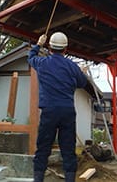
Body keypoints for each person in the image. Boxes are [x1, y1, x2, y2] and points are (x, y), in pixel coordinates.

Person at [28, 32, 89, 182]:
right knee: (68, 150)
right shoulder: (72, 66)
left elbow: (30, 58)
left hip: (49, 111)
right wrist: (82, 73)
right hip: (67, 111)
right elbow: (82, 83)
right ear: (65, 49)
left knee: (43, 148)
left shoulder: (42, 63)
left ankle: (38, 179)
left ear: (50, 47)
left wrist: (38, 44)